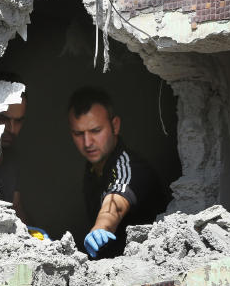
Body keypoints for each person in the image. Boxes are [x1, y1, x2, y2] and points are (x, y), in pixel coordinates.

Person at [67, 86, 170, 258]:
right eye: (78, 133)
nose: (87, 142)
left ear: (115, 125)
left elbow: (116, 200)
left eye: (95, 131)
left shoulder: (129, 166)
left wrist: (101, 227)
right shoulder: (92, 168)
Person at [0, 72, 29, 223]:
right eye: (2, 118)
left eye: (18, 121)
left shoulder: (11, 160)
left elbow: (16, 208)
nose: (11, 129)